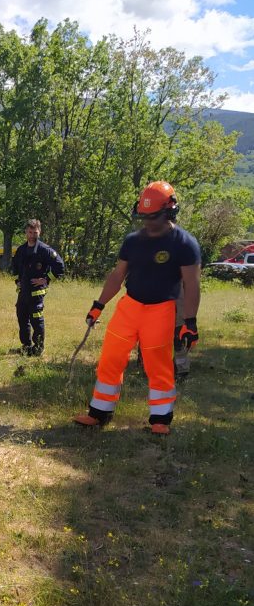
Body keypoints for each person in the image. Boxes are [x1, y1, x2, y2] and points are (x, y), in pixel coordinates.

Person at [74, 181, 201, 435]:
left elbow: (192, 284)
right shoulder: (132, 241)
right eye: (144, 217)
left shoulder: (185, 244)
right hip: (129, 307)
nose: (148, 223)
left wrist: (190, 322)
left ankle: (160, 420)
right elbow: (117, 275)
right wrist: (98, 305)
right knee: (110, 358)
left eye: (153, 217)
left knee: (158, 365)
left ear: (170, 211)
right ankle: (99, 412)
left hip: (161, 310)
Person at [10, 219, 65, 356]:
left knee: (36, 320)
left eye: (35, 232)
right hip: (23, 293)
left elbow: (60, 266)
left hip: (36, 293)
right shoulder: (21, 250)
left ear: (39, 232)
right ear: (26, 233)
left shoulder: (44, 250)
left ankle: (38, 348)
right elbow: (14, 268)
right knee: (22, 318)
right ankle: (26, 346)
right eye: (30, 232)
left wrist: (45, 279)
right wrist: (17, 281)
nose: (32, 235)